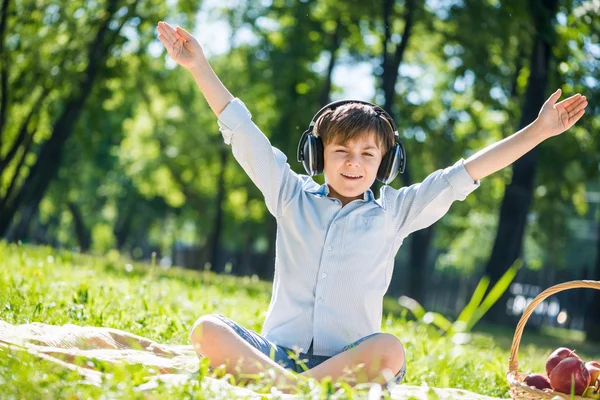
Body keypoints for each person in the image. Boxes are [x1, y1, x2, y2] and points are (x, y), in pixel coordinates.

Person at [156, 20, 588, 393]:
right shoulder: (289, 194)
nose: (353, 163)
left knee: (390, 348)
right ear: (316, 154)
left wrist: (538, 131)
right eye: (341, 150)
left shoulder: (395, 212)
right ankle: (298, 389)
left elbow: (468, 171)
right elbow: (241, 129)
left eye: (368, 154)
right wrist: (199, 65)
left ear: (385, 164)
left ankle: (289, 390)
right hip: (276, 355)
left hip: (349, 361)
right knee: (207, 329)